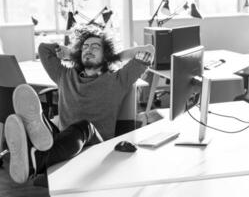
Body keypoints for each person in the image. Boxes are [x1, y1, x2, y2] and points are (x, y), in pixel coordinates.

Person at [3, 26, 155, 184]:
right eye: (85, 47)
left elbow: (149, 50)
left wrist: (112, 57)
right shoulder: (64, 75)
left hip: (96, 148)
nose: (89, 50)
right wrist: (71, 53)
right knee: (33, 123)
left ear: (106, 56)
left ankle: (37, 159)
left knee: (84, 126)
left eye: (95, 47)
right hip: (64, 143)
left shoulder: (118, 80)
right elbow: (43, 49)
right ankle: (35, 150)